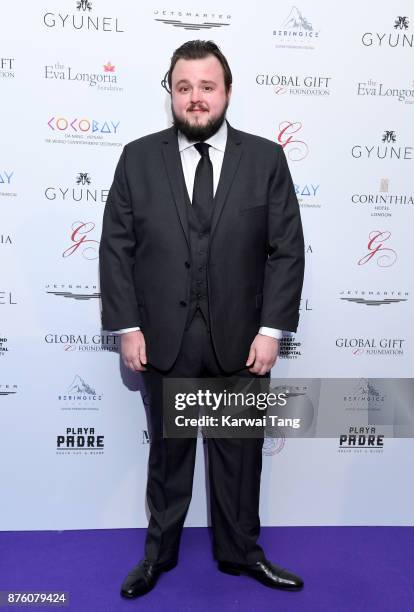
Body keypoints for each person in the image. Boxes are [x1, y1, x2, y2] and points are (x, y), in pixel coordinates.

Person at [99, 40, 305, 598]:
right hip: (163, 339)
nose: (195, 99)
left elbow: (286, 249)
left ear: (227, 92)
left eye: (206, 87)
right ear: (171, 91)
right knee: (169, 458)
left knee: (240, 459)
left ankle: (242, 554)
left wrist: (271, 330)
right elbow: (117, 248)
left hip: (241, 342)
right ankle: (158, 557)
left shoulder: (265, 159)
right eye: (183, 87)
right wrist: (128, 326)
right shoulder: (137, 158)